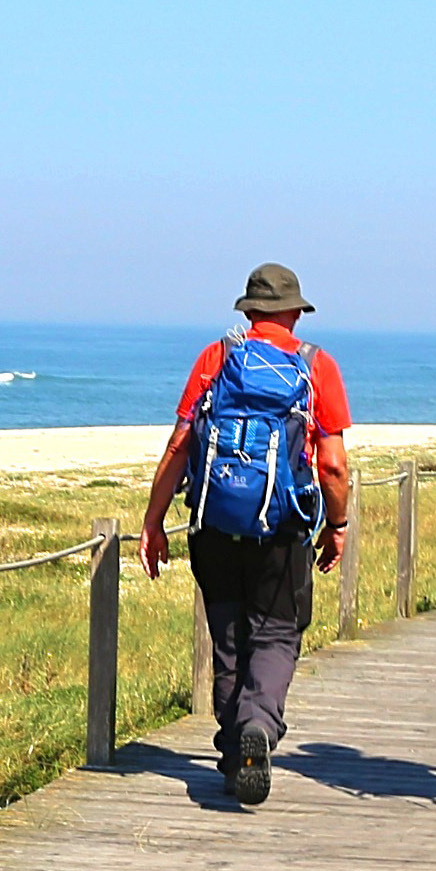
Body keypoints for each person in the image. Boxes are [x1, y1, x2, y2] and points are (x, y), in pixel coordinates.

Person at [141, 263, 352, 807]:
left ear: (249, 310)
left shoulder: (216, 358)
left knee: (230, 639)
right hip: (282, 527)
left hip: (213, 523)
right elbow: (331, 465)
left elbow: (180, 444)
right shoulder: (316, 366)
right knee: (277, 634)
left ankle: (236, 750)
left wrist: (153, 520)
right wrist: (338, 525)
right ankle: (258, 726)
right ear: (293, 312)